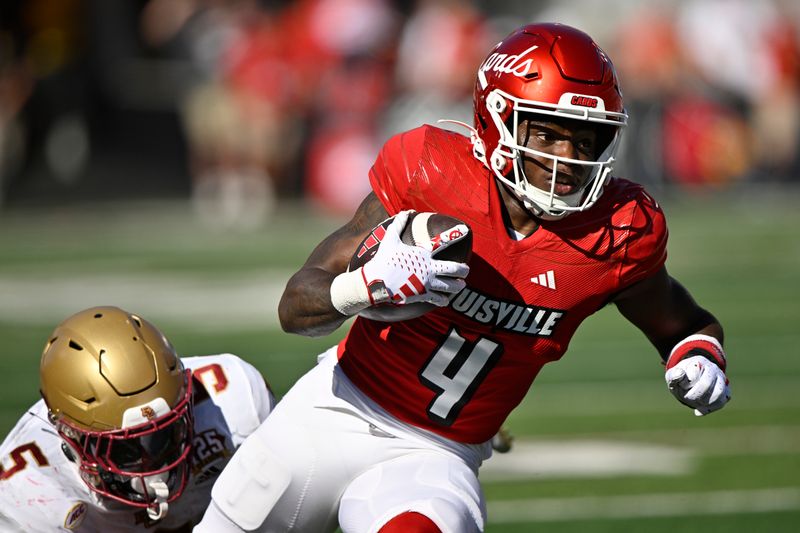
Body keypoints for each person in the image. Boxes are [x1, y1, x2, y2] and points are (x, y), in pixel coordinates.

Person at [195, 22, 731, 533]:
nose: (569, 159)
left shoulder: (618, 231)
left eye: (587, 139)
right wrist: (365, 285)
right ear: (498, 121)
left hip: (436, 453)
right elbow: (295, 307)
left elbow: (683, 324)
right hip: (337, 406)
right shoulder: (431, 172)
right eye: (548, 134)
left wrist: (700, 354)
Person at [0, 306, 275, 532]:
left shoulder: (236, 398)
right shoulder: (25, 491)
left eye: (164, 434)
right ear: (68, 435)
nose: (156, 469)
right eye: (125, 449)